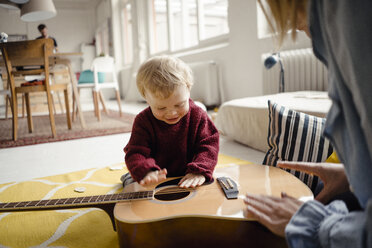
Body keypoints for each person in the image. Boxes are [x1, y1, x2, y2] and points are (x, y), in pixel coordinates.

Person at [244, 0, 372, 247]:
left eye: (303, 27)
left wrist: (316, 225)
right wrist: (350, 176)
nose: (309, 36)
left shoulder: (347, 11)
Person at [122, 55, 219, 189]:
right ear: (146, 99)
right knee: (132, 186)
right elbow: (135, 152)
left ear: (188, 90)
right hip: (155, 176)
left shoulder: (198, 116)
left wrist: (200, 170)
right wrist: (147, 171)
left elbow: (209, 145)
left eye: (180, 104)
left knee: (209, 188)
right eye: (161, 108)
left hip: (190, 173)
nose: (172, 113)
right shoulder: (143, 121)